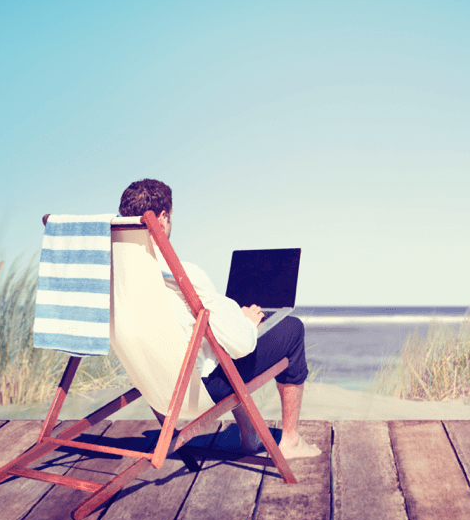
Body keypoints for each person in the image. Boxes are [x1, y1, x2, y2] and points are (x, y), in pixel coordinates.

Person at [118, 178, 321, 459]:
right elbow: (241, 345)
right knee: (291, 329)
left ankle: (250, 433)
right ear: (163, 218)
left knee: (216, 337)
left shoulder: (120, 284)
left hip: (155, 387)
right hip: (200, 393)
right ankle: (290, 440)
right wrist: (247, 322)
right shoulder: (182, 276)